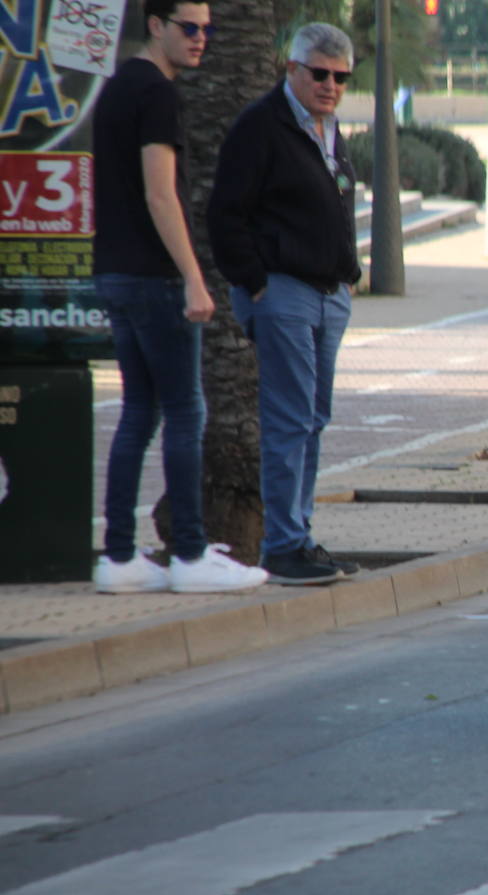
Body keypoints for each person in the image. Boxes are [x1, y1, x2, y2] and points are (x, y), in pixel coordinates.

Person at [91, 0, 267, 594]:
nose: (201, 39)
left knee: (140, 413)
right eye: (189, 28)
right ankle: (191, 556)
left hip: (114, 274)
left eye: (208, 30)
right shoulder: (158, 95)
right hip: (154, 279)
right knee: (186, 413)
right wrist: (193, 275)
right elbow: (160, 195)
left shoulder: (117, 88)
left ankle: (116, 559)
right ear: (157, 26)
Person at [208, 22, 361, 585]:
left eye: (340, 77)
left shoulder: (327, 128)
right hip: (283, 293)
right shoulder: (261, 127)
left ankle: (300, 536)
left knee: (314, 419)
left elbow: (338, 203)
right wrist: (255, 281)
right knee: (289, 420)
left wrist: (350, 274)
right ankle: (282, 546)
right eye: (319, 73)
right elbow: (225, 213)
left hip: (328, 296)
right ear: (292, 69)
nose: (330, 85)